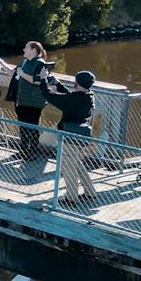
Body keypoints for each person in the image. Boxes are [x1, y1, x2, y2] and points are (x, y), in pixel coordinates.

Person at [45, 71, 98, 205]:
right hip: (81, 136)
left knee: (68, 167)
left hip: (69, 137)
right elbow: (70, 97)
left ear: (77, 83)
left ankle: (71, 197)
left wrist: (42, 83)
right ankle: (90, 192)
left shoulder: (75, 99)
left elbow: (50, 97)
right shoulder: (88, 96)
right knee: (77, 164)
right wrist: (58, 84)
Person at [10, 41, 53, 158]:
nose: (24, 50)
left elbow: (38, 81)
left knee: (33, 127)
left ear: (33, 50)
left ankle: (33, 152)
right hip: (22, 100)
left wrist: (22, 74)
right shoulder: (24, 62)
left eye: (26, 48)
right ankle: (23, 151)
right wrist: (0, 62)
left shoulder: (40, 63)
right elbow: (13, 72)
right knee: (23, 127)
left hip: (34, 102)